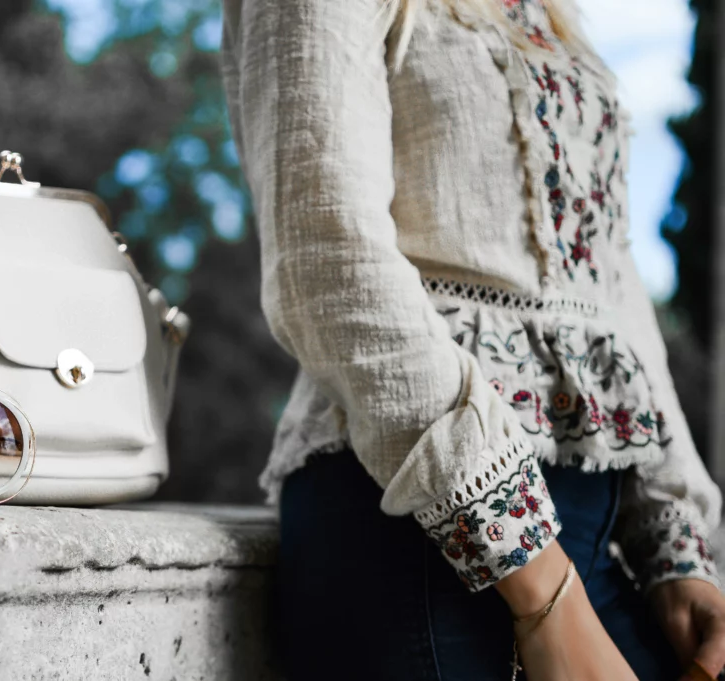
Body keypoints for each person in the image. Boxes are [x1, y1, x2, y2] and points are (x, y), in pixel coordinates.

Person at [219, 0, 725, 678]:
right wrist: (545, 592)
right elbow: (326, 255)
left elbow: (608, 286)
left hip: (588, 549)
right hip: (421, 537)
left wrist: (675, 552)